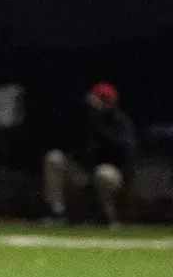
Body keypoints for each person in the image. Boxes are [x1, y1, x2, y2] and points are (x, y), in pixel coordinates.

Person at [42, 82, 136, 227]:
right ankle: (57, 213)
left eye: (102, 101)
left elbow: (125, 151)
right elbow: (60, 137)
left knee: (104, 174)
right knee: (54, 158)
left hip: (106, 172)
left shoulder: (119, 121)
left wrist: (99, 128)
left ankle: (105, 216)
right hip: (81, 171)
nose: (96, 105)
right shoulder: (81, 117)